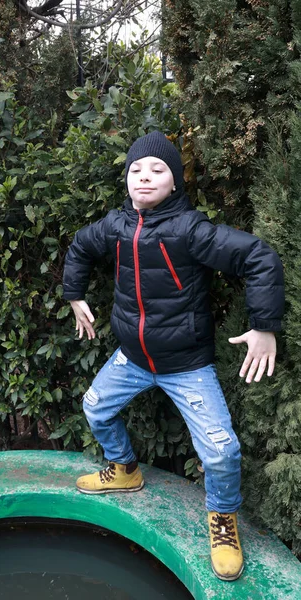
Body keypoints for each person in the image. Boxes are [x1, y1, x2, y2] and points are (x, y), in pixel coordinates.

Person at [62, 131, 285, 581]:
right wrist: (74, 294)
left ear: (174, 182)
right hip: (132, 358)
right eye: (136, 170)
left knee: (222, 454)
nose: (144, 177)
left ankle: (222, 520)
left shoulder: (190, 229)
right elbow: (81, 246)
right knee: (94, 408)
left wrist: (264, 326)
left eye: (157, 170)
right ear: (126, 180)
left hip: (187, 365)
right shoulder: (116, 225)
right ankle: (123, 468)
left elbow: (259, 257)